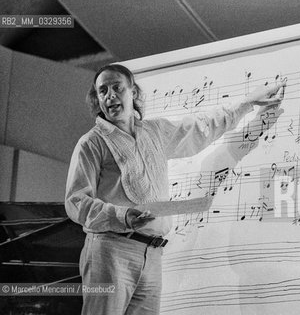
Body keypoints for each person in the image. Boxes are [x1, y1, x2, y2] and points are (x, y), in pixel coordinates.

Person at [64, 63, 286, 315]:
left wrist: (247, 104)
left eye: (117, 88)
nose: (110, 96)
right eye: (103, 91)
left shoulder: (154, 132)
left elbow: (201, 129)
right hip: (111, 249)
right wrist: (121, 215)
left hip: (153, 253)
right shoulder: (91, 143)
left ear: (133, 93)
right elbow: (76, 201)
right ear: (97, 98)